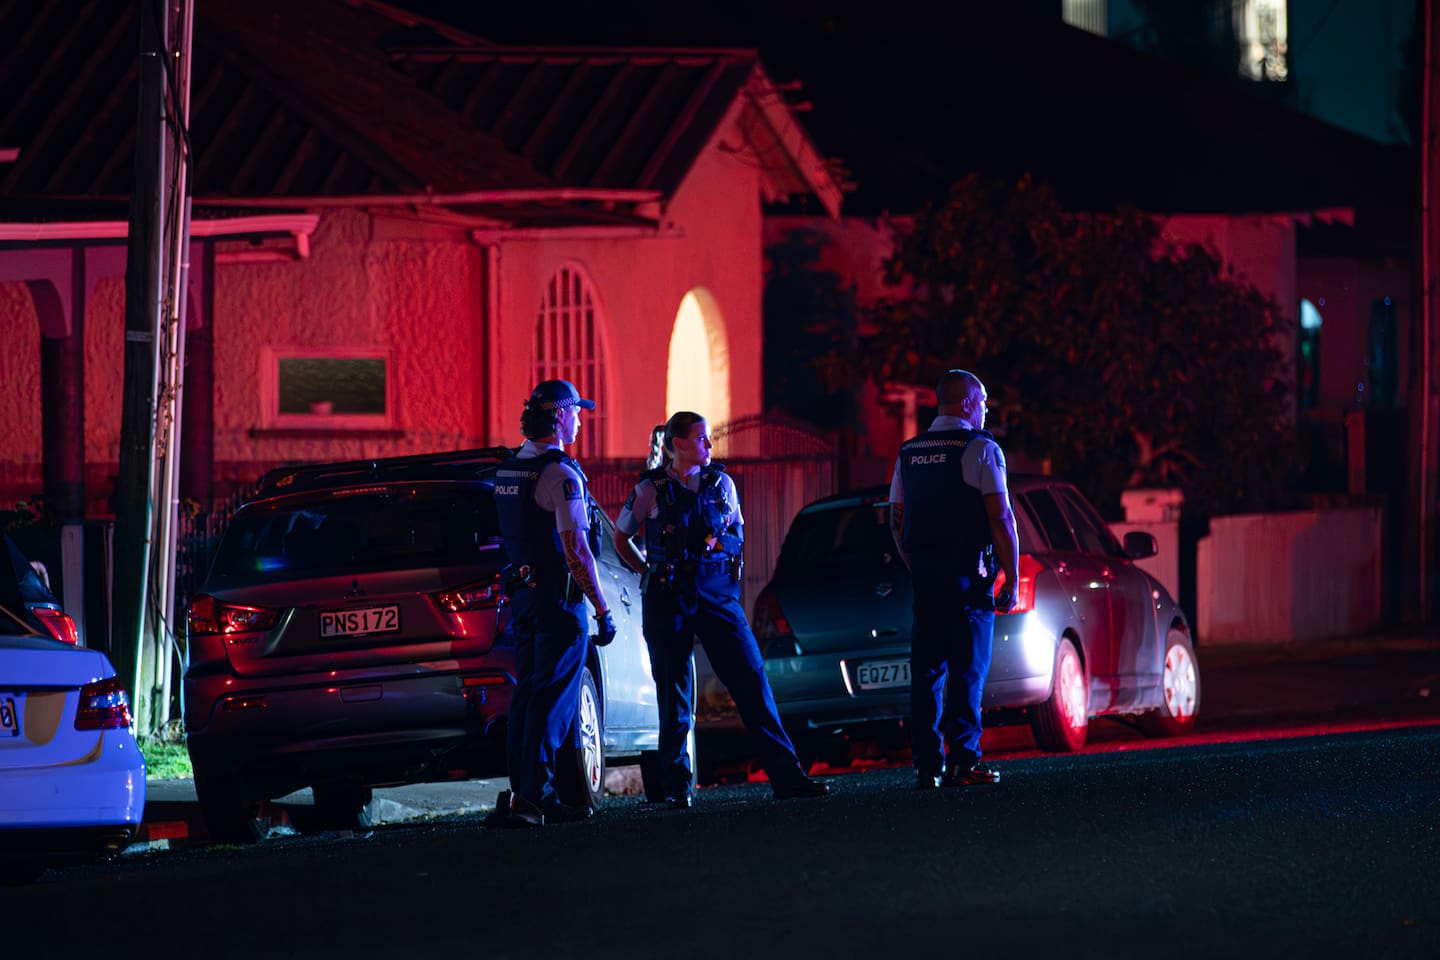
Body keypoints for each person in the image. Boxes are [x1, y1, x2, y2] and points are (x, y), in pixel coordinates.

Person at [614, 411, 828, 807]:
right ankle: (676, 788)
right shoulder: (651, 488)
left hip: (716, 594)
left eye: (709, 438)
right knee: (673, 691)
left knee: (751, 681)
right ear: (678, 444)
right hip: (668, 595)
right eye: (700, 439)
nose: (710, 446)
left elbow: (735, 535)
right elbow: (620, 536)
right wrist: (647, 570)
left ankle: (787, 776)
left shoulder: (721, 484)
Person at [491, 379, 618, 826]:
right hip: (559, 604)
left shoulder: (509, 470)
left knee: (527, 695)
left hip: (524, 600)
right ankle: (536, 796)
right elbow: (577, 549)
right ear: (560, 415)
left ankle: (522, 793)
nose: (581, 419)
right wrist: (601, 608)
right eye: (577, 412)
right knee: (554, 701)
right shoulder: (560, 474)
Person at [889, 369, 1020, 790]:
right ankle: (964, 760)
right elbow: (1000, 517)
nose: (984, 409)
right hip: (968, 576)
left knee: (927, 672)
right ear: (966, 403)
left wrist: (915, 564)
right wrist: (1011, 575)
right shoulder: (981, 449)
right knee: (967, 670)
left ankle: (927, 765)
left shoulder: (909, 452)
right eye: (982, 401)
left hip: (926, 574)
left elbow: (897, 518)